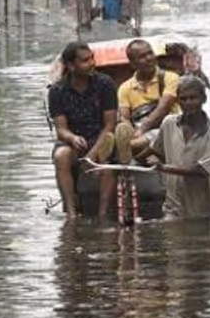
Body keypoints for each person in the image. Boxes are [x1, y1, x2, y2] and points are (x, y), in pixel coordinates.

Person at [49, 41, 119, 219]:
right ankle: (71, 213)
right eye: (85, 60)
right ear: (71, 66)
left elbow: (110, 124)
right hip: (75, 141)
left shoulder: (105, 84)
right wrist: (72, 138)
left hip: (102, 138)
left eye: (92, 58)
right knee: (61, 156)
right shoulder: (57, 90)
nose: (92, 63)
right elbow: (61, 129)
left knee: (107, 160)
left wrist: (93, 153)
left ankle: (102, 214)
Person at [148, 75, 210, 220]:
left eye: (193, 98)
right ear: (178, 101)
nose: (188, 103)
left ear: (203, 99)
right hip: (173, 207)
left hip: (206, 211)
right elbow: (156, 152)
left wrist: (163, 168)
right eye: (183, 99)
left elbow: (202, 170)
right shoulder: (169, 123)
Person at [114, 39, 181, 164]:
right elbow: (125, 117)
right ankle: (127, 151)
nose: (149, 58)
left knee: (159, 133)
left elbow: (163, 108)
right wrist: (130, 131)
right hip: (139, 132)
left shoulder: (171, 78)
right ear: (133, 64)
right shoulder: (125, 88)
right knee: (122, 128)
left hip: (167, 131)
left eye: (150, 53)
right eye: (142, 57)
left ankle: (126, 149)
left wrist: (141, 130)